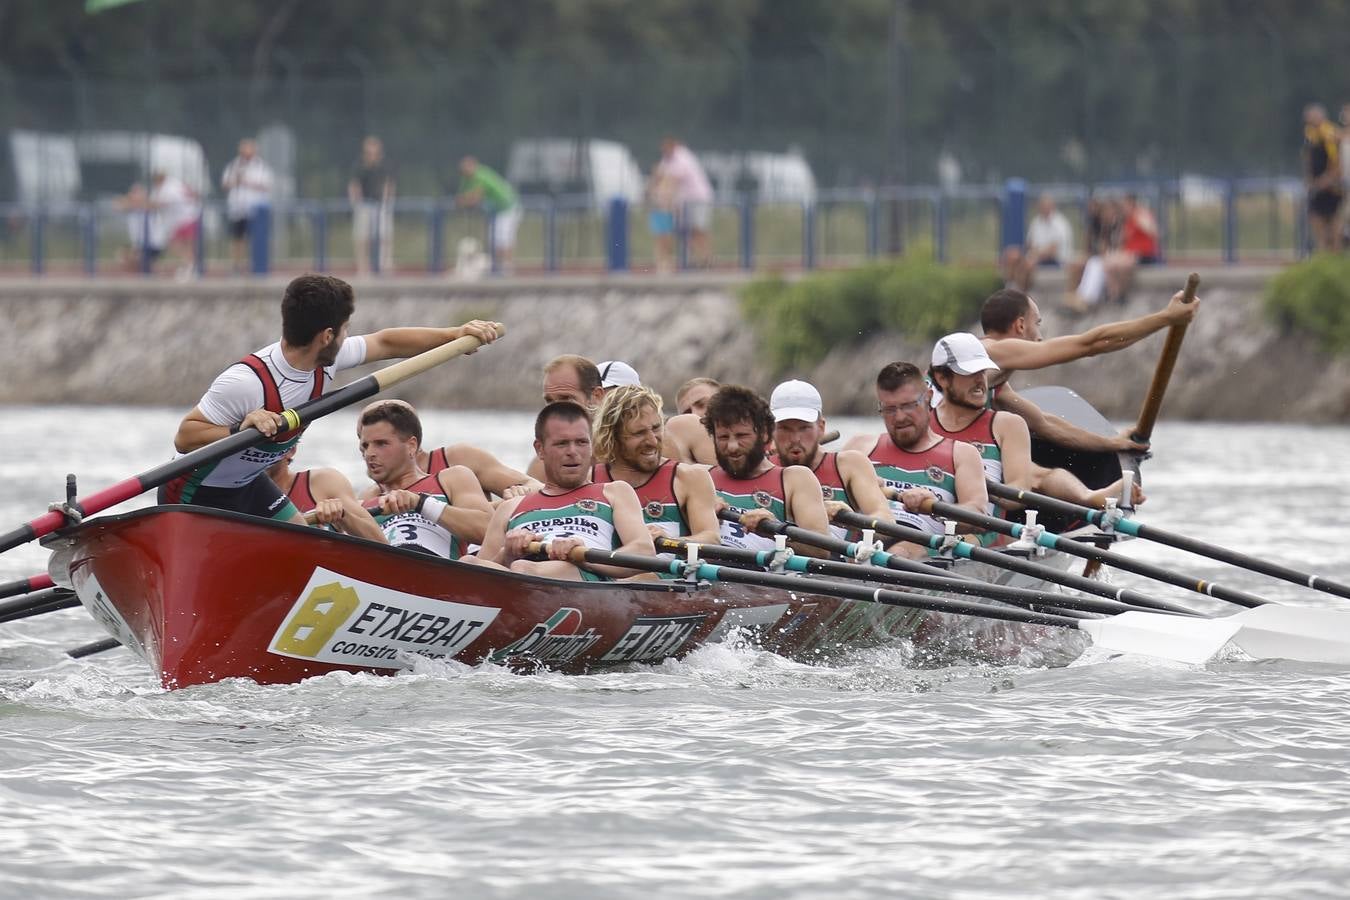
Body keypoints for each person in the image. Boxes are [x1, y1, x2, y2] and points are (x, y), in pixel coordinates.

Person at [160, 273, 501, 527]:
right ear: (326, 336)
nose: (347, 335)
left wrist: (454, 335)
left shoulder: (328, 359)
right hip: (193, 490)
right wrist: (239, 427)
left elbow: (387, 343)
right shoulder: (245, 383)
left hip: (248, 484)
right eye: (345, 327)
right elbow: (186, 435)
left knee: (304, 544)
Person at [928, 333, 1139, 513]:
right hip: (924, 530)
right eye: (969, 373)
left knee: (1033, 473)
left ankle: (1088, 497)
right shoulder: (920, 422)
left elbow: (1018, 493)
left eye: (982, 371)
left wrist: (974, 483)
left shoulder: (1007, 424)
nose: (980, 381)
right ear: (942, 378)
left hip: (979, 533)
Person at [978, 287, 1199, 455]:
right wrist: (1166, 318)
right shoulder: (993, 350)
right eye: (1038, 323)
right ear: (1020, 326)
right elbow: (1092, 344)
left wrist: (1113, 443)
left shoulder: (994, 383)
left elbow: (1045, 424)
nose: (1041, 336)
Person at [471, 402, 655, 580]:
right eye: (562, 444)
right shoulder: (510, 507)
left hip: (584, 577)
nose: (572, 451)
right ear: (540, 449)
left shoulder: (615, 492)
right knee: (469, 562)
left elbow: (644, 551)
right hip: (522, 577)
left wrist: (584, 557)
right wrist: (507, 555)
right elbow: (478, 573)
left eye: (581, 442)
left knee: (523, 568)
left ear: (592, 446)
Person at [841, 362, 989, 558]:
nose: (900, 417)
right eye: (889, 409)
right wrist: (855, 493)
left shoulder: (961, 454)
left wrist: (933, 505)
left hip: (919, 550)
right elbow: (823, 500)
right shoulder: (859, 448)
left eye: (908, 406)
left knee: (900, 552)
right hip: (860, 547)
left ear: (928, 398)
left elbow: (978, 517)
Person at [703, 385, 831, 556]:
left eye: (742, 436)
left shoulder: (795, 479)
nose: (732, 447)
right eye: (723, 437)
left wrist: (775, 531)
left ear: (764, 434)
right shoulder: (700, 478)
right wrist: (702, 516)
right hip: (710, 577)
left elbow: (821, 550)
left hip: (766, 579)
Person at [357, 400, 493, 558]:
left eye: (381, 444)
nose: (369, 454)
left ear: (411, 446)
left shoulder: (452, 479)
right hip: (383, 571)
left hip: (441, 573)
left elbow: (488, 530)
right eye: (365, 446)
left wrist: (420, 503)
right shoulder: (364, 500)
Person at [591, 384, 721, 546]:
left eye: (656, 428)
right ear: (612, 437)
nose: (652, 441)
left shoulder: (689, 477)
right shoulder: (590, 480)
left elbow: (711, 538)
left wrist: (669, 542)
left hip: (669, 569)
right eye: (639, 433)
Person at [768, 379, 893, 541]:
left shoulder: (849, 465)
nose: (795, 439)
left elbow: (886, 521)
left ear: (821, 427)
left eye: (804, 428)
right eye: (785, 428)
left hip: (838, 562)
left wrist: (851, 519)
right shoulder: (761, 467)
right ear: (770, 430)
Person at [264, 443, 386, 541]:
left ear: (291, 450)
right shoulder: (244, 493)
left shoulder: (324, 482)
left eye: (266, 444)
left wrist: (343, 516)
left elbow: (381, 542)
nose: (260, 454)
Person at [457, 156, 521, 273]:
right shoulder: (468, 178)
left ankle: (506, 268)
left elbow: (475, 197)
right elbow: (463, 195)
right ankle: (499, 267)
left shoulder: (480, 175)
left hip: (508, 208)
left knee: (504, 238)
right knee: (495, 238)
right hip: (499, 211)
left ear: (474, 165)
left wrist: (463, 201)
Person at [657, 136, 714, 267]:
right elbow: (661, 175)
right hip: (682, 202)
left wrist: (664, 197)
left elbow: (672, 180)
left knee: (697, 229)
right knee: (681, 231)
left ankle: (705, 258)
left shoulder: (682, 157)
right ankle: (696, 259)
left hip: (697, 199)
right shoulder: (667, 159)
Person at [221, 138, 273, 274]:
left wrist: (247, 182)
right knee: (237, 238)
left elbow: (266, 185)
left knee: (255, 238)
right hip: (238, 208)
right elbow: (225, 184)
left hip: (255, 209)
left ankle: (255, 265)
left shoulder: (261, 166)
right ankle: (236, 265)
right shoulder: (234, 165)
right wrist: (236, 181)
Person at [1003, 194, 1072, 291]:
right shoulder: (1036, 221)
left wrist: (1035, 255)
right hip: (1036, 256)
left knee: (1028, 264)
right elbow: (1029, 244)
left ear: (1052, 206)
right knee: (1011, 255)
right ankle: (1009, 288)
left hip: (1056, 260)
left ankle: (1022, 293)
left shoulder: (1059, 224)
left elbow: (1053, 250)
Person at [348, 136, 394, 276]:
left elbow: (388, 184)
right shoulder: (359, 166)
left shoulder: (385, 165)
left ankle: (384, 265)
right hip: (364, 204)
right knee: (363, 238)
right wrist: (356, 204)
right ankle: (363, 267)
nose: (373, 155)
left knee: (384, 236)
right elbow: (354, 185)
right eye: (369, 152)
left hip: (381, 204)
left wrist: (387, 202)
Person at [1303, 103, 1343, 252]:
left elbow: (1336, 160)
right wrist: (1309, 180)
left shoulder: (1329, 133)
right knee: (1315, 218)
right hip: (1316, 185)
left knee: (1332, 220)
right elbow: (1308, 159)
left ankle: (1334, 252)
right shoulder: (1310, 134)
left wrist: (1327, 179)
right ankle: (1323, 252)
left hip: (1330, 186)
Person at [149, 170, 201, 281]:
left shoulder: (168, 188)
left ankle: (191, 267)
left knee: (175, 244)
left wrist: (145, 204)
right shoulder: (174, 183)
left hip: (184, 219)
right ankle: (191, 267)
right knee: (185, 246)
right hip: (189, 216)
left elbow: (161, 203)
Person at [115, 182, 165, 273]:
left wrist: (138, 201)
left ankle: (148, 267)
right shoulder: (130, 206)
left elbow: (155, 205)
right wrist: (130, 200)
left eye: (138, 193)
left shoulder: (149, 205)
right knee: (122, 256)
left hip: (153, 244)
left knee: (136, 258)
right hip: (138, 244)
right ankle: (144, 267)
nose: (136, 195)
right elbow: (118, 206)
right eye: (134, 193)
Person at [646, 160, 678, 274]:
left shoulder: (669, 184)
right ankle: (660, 264)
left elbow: (671, 201)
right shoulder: (652, 186)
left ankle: (668, 263)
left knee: (667, 241)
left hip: (667, 215)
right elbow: (650, 200)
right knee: (659, 240)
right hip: (657, 215)